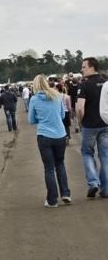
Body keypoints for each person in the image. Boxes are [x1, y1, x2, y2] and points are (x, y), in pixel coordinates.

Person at [28, 74, 71, 208]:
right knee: (60, 164)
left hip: (44, 135)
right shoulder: (57, 95)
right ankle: (66, 193)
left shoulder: (34, 99)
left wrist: (41, 118)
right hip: (60, 134)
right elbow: (62, 115)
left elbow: (31, 120)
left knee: (49, 168)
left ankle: (52, 200)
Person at [76, 57, 108, 198]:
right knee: (105, 156)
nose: (81, 70)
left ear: (92, 67)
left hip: (89, 125)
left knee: (87, 153)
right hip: (105, 124)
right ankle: (106, 189)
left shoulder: (84, 85)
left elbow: (80, 108)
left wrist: (80, 121)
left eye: (84, 67)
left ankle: (93, 182)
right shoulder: (106, 83)